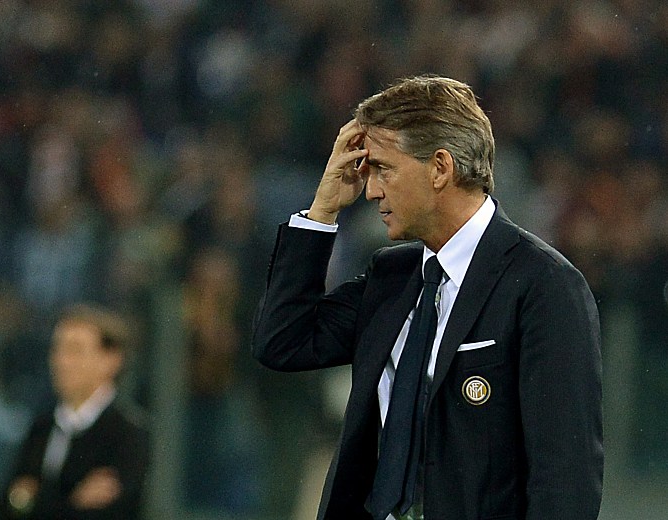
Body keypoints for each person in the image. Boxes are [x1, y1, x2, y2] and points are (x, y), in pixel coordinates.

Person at [251, 75, 603, 520]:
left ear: (440, 168)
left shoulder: (543, 285)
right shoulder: (391, 278)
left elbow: (565, 478)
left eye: (384, 168)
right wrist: (322, 210)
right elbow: (282, 341)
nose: (371, 190)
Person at [0, 303, 151, 519]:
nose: (61, 361)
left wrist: (35, 500)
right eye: (57, 349)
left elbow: (111, 512)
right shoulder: (42, 427)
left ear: (111, 360)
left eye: (75, 350)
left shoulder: (129, 434)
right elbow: (4, 507)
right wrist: (74, 501)